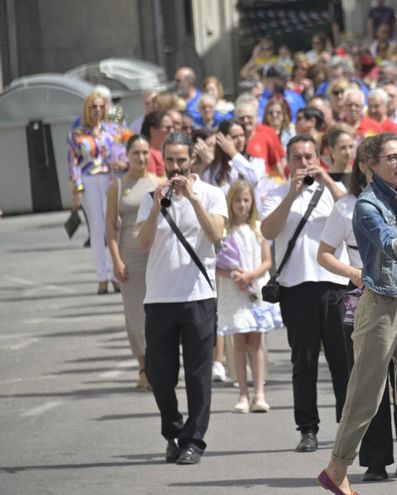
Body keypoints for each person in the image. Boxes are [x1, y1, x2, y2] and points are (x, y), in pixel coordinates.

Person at [319, 133, 397, 495]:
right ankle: (336, 469)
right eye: (391, 158)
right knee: (365, 396)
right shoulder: (366, 204)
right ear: (370, 165)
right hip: (379, 307)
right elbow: (392, 248)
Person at [317, 146, 397, 481]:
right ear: (368, 166)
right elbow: (324, 253)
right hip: (363, 297)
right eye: (391, 158)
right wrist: (352, 271)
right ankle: (375, 459)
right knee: (368, 382)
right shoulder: (347, 206)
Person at [136, 131, 227, 465]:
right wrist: (157, 207)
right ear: (163, 160)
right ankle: (173, 431)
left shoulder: (212, 194)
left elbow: (216, 234)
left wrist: (193, 199)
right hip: (159, 297)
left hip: (198, 295)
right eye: (169, 160)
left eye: (181, 160)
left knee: (198, 374)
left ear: (193, 160)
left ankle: (193, 440)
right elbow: (143, 243)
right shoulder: (151, 198)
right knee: (160, 374)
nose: (175, 167)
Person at [260, 135, 348, 454]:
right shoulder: (275, 194)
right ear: (287, 161)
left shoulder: (330, 192)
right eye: (297, 158)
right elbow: (268, 231)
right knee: (304, 361)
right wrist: (291, 195)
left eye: (309, 157)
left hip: (335, 284)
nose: (304, 163)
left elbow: (352, 213)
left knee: (342, 359)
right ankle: (307, 428)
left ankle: (347, 425)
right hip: (295, 288)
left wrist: (326, 178)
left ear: (318, 158)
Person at [106, 135, 161, 391]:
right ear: (127, 155)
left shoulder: (158, 182)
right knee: (135, 314)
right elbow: (109, 227)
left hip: (155, 251)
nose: (141, 157)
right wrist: (116, 259)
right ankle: (143, 367)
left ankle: (161, 362)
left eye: (145, 152)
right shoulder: (118, 185)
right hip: (129, 252)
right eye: (136, 152)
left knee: (159, 310)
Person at [217, 180, 275, 414]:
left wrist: (251, 275)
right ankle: (242, 393)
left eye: (246, 200)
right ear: (230, 202)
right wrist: (233, 274)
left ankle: (259, 392)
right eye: (238, 200)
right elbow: (216, 265)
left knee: (257, 340)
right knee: (239, 341)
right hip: (233, 290)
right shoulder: (223, 231)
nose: (242, 205)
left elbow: (267, 261)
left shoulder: (258, 229)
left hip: (255, 289)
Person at [68, 90, 126, 294]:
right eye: (94, 106)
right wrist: (77, 188)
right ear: (87, 109)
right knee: (97, 227)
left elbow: (123, 152)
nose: (98, 110)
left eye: (101, 106)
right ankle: (102, 276)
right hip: (90, 180)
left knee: (113, 225)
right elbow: (73, 162)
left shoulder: (113, 130)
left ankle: (114, 273)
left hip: (110, 179)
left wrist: (123, 163)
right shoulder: (77, 134)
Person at [205, 119, 265, 194]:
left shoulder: (255, 161)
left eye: (242, 135)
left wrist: (233, 153)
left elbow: (254, 179)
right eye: (234, 137)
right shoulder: (213, 170)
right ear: (222, 140)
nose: (240, 140)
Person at [141, 110, 172, 177]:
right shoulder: (148, 154)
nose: (172, 131)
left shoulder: (165, 152)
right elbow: (151, 183)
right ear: (153, 131)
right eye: (168, 128)